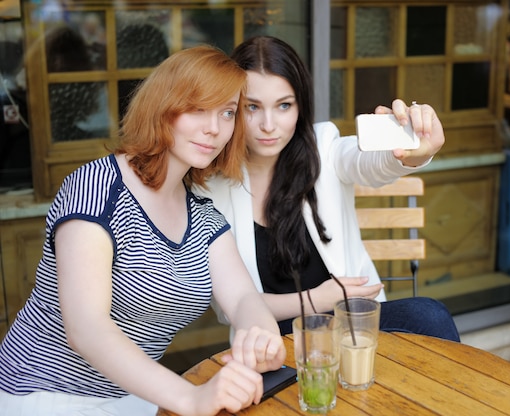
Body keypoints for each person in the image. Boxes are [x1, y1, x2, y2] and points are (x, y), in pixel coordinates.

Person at [0, 45, 286, 416]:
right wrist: (190, 397)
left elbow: (244, 298)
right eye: (197, 109)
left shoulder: (200, 213)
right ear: (162, 106)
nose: (214, 129)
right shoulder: (97, 187)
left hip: (132, 396)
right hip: (42, 393)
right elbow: (86, 329)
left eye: (228, 113)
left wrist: (260, 333)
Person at [198, 36, 460, 342]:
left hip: (351, 325)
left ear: (300, 106)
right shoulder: (210, 188)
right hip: (274, 337)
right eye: (252, 107)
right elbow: (229, 308)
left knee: (429, 316)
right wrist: (316, 300)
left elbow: (370, 162)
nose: (268, 124)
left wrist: (414, 151)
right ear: (231, 109)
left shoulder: (323, 147)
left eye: (284, 105)